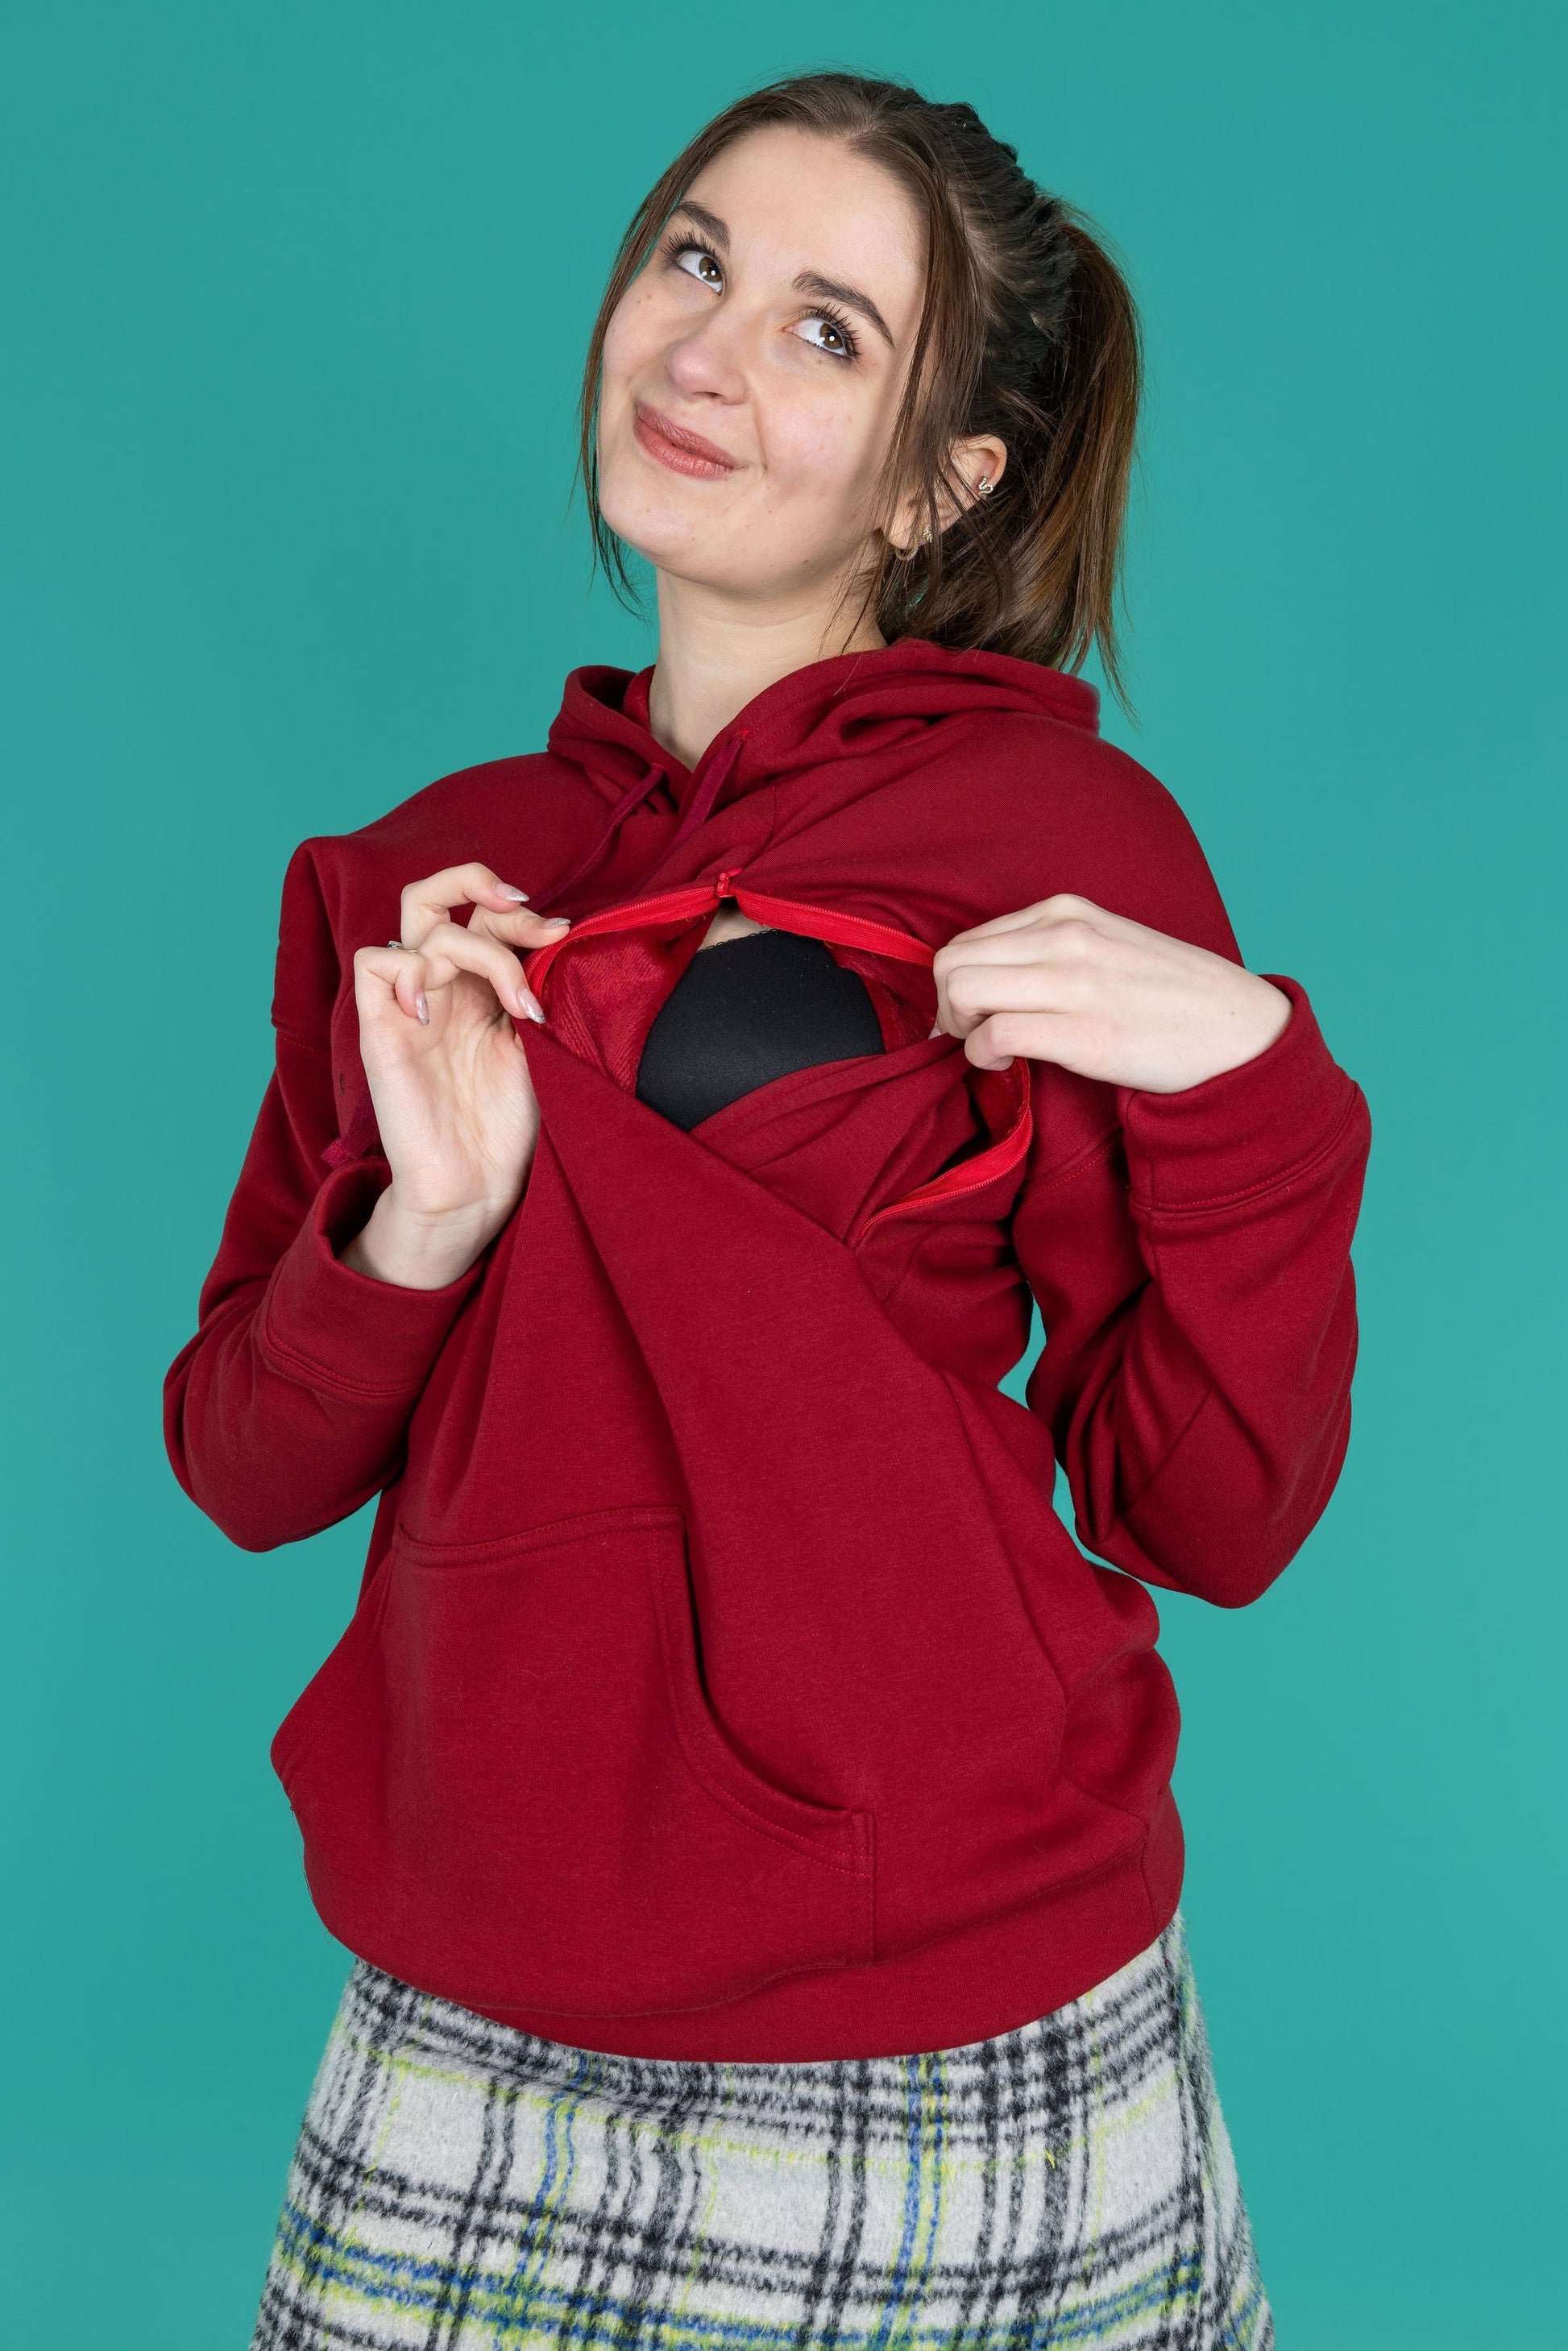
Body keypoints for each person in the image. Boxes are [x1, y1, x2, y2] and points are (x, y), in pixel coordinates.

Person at [165, 70, 1370, 2350]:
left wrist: (1259, 1095)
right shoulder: (425, 878)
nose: (706, 351)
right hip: (474, 1988)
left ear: (944, 481)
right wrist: (424, 1224)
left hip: (953, 2003)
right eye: (694, 260)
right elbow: (243, 1461)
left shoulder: (1051, 848)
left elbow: (1207, 1512)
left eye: (830, 330)